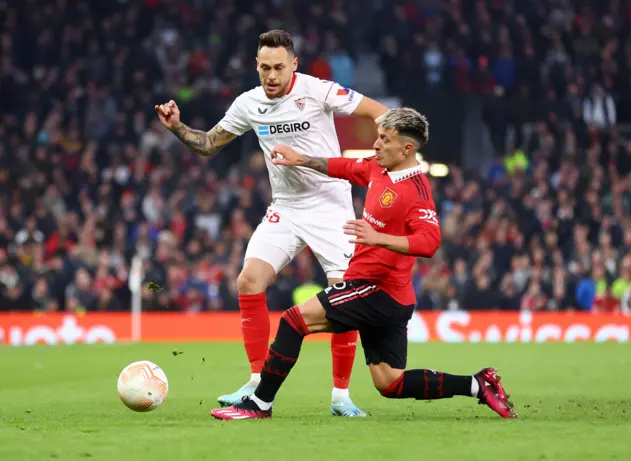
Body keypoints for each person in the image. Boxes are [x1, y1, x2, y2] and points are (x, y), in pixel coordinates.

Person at [211, 108, 517, 420]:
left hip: (376, 288)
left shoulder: (417, 192)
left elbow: (429, 241)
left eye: (385, 139)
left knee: (293, 321)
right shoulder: (378, 169)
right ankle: (478, 385)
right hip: (391, 297)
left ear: (407, 149)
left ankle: (259, 405)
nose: (376, 145)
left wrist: (378, 237)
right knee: (390, 382)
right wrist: (301, 158)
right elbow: (343, 166)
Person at [154, 30, 388, 416]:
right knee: (248, 280)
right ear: (256, 66)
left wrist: (385, 150)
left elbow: (376, 110)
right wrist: (178, 127)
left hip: (331, 205)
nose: (272, 75)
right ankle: (256, 379)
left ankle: (340, 396)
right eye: (265, 67)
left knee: (341, 296)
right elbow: (210, 144)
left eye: (279, 67)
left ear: (294, 64)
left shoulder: (317, 90)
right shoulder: (249, 103)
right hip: (287, 207)